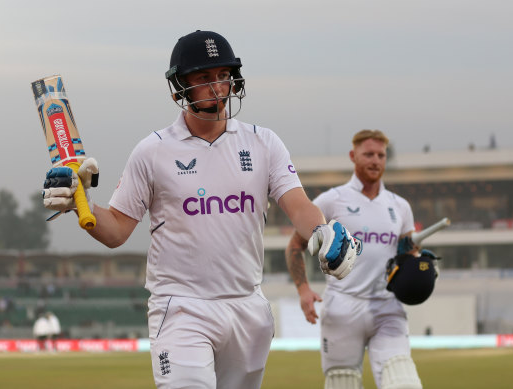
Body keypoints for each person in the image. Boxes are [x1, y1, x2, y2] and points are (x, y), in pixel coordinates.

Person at [41, 30, 360, 388]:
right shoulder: (153, 151)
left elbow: (298, 205)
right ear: (179, 87)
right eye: (204, 78)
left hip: (247, 308)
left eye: (223, 76)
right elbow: (116, 230)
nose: (217, 86)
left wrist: (321, 229)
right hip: (181, 307)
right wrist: (79, 203)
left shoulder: (263, 142)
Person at [285, 130, 423, 389]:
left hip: (387, 307)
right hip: (342, 308)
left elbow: (406, 253)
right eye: (368, 154)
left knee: (404, 382)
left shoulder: (400, 206)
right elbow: (295, 245)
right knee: (342, 383)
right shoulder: (331, 200)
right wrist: (303, 289)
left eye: (381, 155)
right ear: (353, 156)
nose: (375, 160)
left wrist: (418, 266)